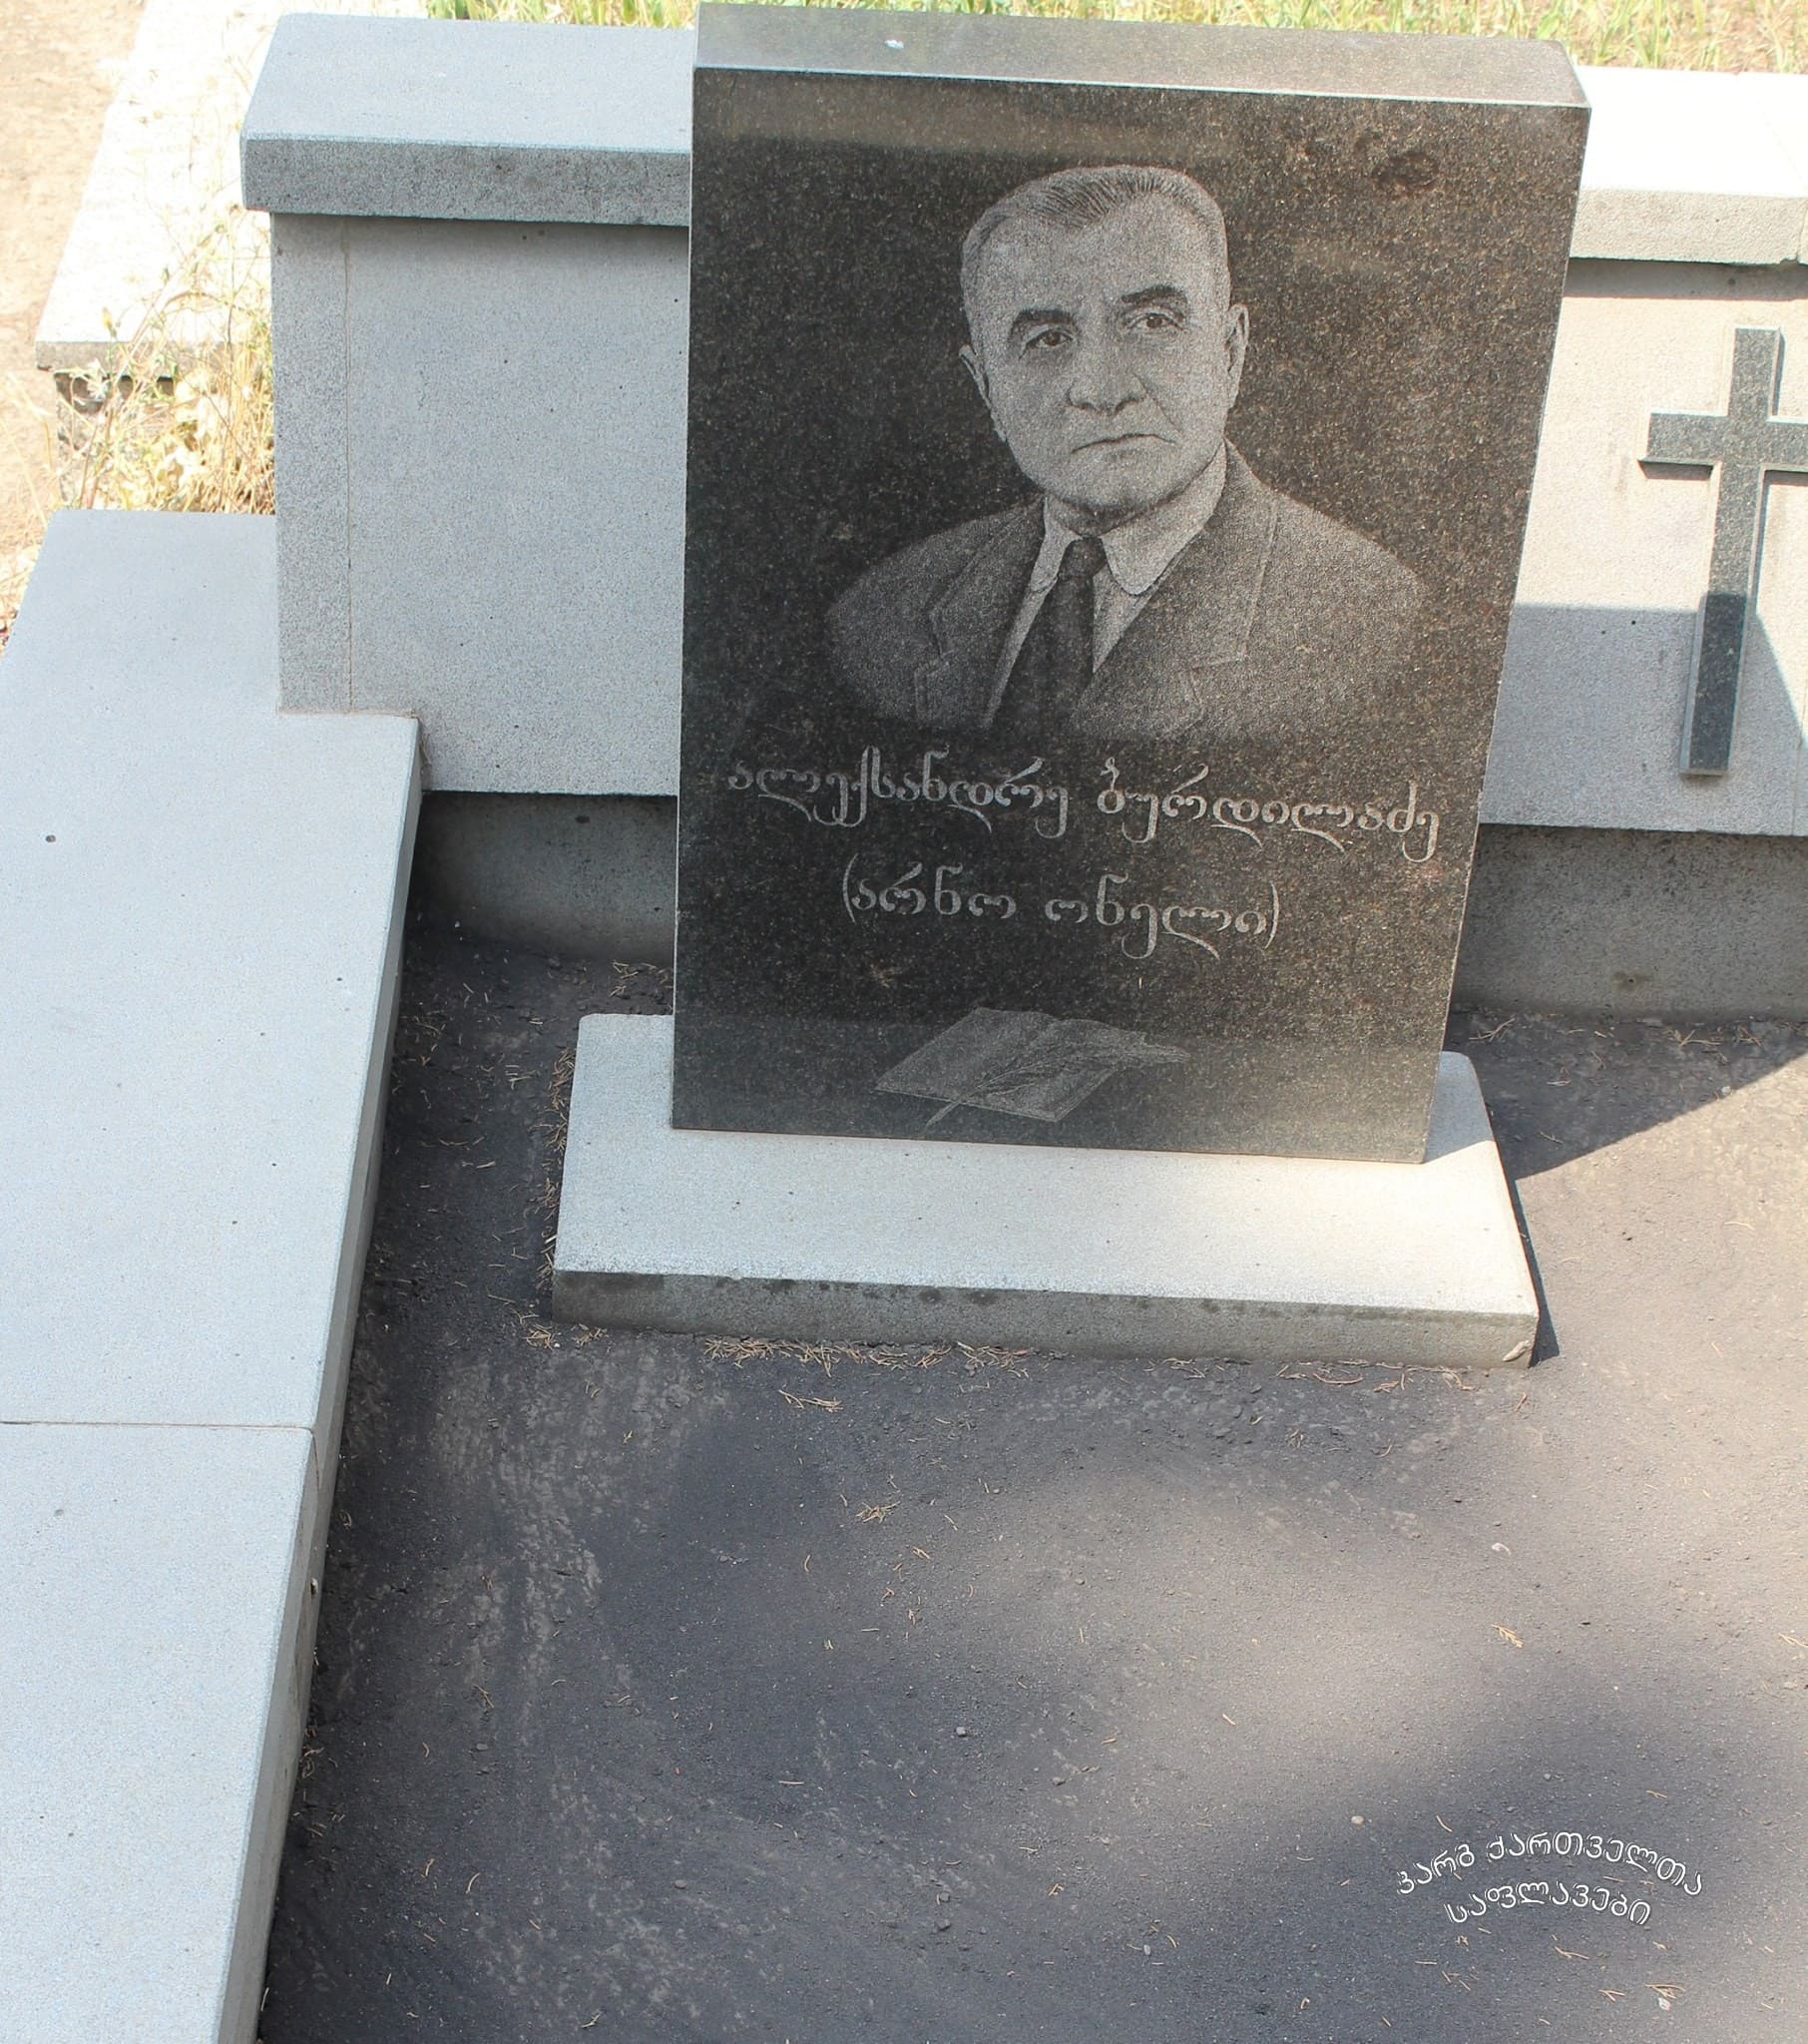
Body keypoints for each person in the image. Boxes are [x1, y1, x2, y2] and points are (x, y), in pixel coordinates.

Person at [826, 164, 1421, 747]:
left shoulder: (1370, 619)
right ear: (986, 388)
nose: (1103, 390)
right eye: (1048, 339)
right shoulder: (884, 615)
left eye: (1152, 322)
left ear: (1230, 355)